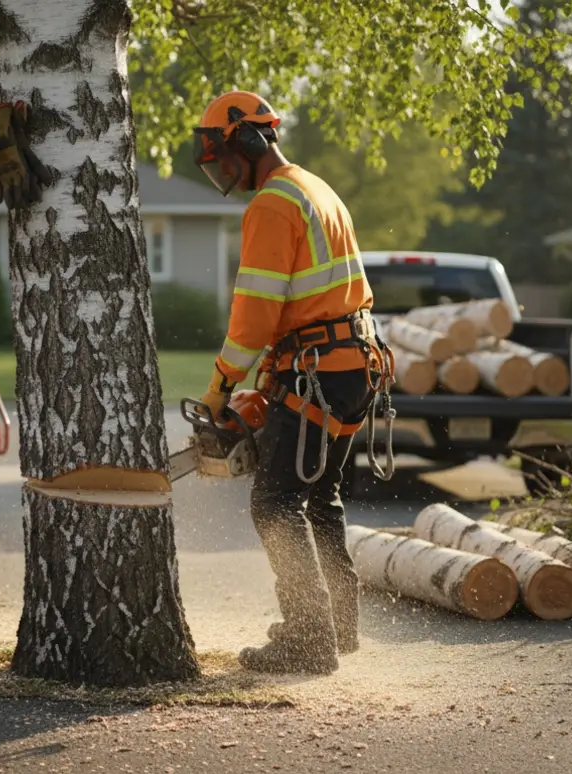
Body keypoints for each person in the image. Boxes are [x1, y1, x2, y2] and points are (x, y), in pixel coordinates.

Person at [189, 90, 392, 675]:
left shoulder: (273, 204)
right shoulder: (316, 189)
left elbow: (254, 317)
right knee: (321, 496)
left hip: (318, 372)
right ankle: (338, 628)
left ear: (250, 142)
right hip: (353, 365)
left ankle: (307, 638)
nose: (224, 175)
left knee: (275, 502)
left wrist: (220, 388)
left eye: (225, 160)